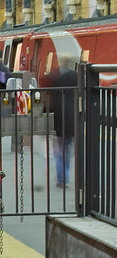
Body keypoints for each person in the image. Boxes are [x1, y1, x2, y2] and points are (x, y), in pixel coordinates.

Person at [51, 53, 77, 188]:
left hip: (60, 119)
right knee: (67, 150)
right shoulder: (75, 76)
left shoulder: (56, 76)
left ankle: (62, 179)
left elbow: (53, 100)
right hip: (72, 120)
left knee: (60, 151)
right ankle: (65, 177)